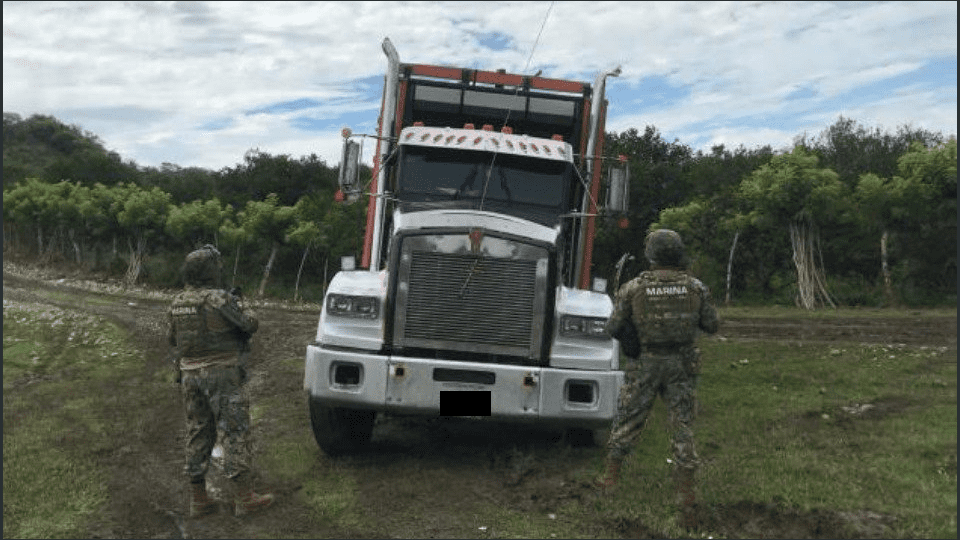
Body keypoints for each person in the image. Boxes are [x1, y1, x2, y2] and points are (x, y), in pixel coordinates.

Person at [597, 229, 719, 529]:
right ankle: (686, 496)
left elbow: (612, 327)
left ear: (651, 255)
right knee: (683, 427)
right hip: (681, 364)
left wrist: (632, 337)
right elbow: (712, 325)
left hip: (645, 364)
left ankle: (610, 481)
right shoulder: (696, 288)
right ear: (679, 254)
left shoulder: (633, 287)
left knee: (628, 420)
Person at [168, 244, 275, 518]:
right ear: (210, 271)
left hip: (190, 375)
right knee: (235, 430)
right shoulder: (219, 299)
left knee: (198, 432)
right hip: (222, 374)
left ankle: (199, 499)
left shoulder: (177, 302)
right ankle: (244, 497)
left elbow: (173, 340)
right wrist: (242, 304)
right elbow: (249, 324)